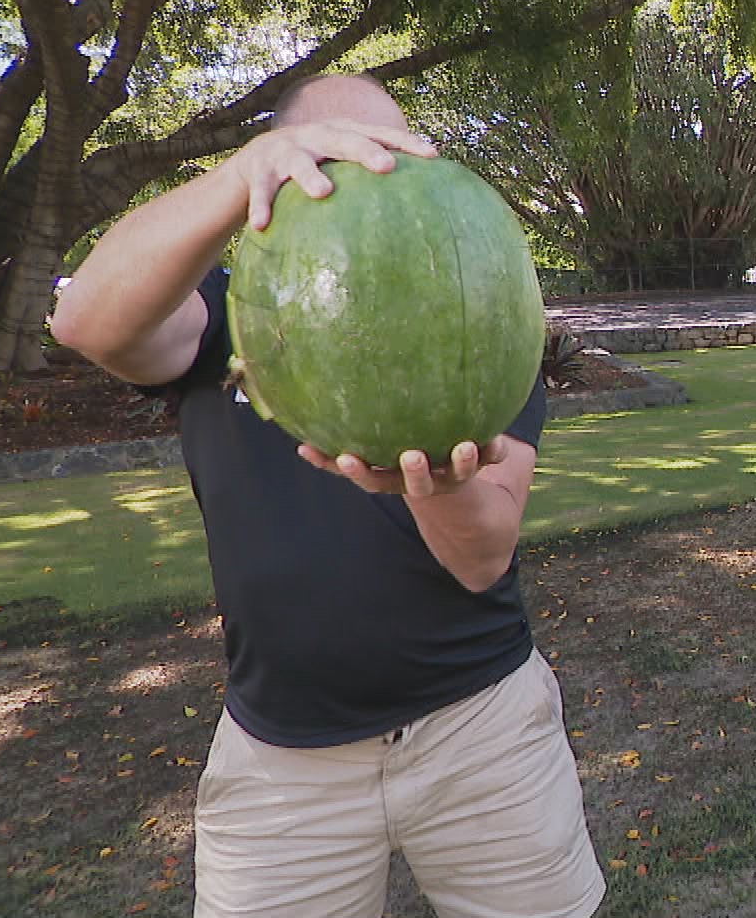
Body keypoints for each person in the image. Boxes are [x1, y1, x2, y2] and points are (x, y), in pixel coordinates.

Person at [51, 73, 605, 918]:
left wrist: (439, 487)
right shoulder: (228, 313)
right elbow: (86, 322)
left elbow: (482, 554)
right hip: (281, 760)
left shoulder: (483, 326)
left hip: (483, 728)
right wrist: (239, 175)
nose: (362, 174)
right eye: (331, 155)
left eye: (386, 155)